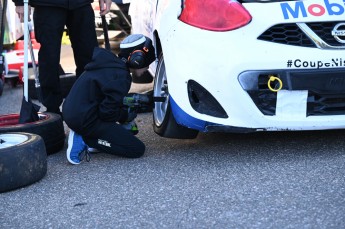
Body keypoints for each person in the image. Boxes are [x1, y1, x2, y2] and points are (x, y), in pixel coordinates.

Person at [62, 34, 156, 165]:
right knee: (136, 149)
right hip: (85, 120)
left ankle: (92, 136)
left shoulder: (109, 64)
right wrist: (124, 115)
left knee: (117, 131)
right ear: (137, 59)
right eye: (147, 63)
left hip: (75, 112)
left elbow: (106, 101)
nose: (147, 68)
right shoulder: (121, 77)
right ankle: (85, 138)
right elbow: (107, 113)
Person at [12, 0, 112, 115]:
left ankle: (88, 105)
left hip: (80, 3)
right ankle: (52, 111)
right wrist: (19, 1)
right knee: (49, 58)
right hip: (47, 5)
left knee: (89, 56)